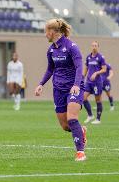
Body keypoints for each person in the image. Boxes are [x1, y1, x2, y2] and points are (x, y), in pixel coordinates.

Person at [34, 18, 87, 161]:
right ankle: (81, 131)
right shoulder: (51, 50)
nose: (45, 34)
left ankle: (80, 152)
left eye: (46, 31)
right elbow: (50, 69)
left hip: (74, 88)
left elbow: (79, 67)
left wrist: (76, 84)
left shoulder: (71, 46)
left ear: (52, 32)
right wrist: (41, 84)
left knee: (72, 119)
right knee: (65, 126)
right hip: (58, 89)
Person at [83, 41, 106, 124]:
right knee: (83, 97)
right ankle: (90, 115)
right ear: (91, 46)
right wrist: (82, 77)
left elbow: (104, 69)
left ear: (98, 47)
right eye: (92, 45)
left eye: (95, 45)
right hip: (89, 82)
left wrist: (96, 73)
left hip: (97, 82)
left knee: (98, 100)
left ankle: (98, 119)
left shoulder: (100, 57)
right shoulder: (88, 57)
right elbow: (86, 68)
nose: (94, 47)